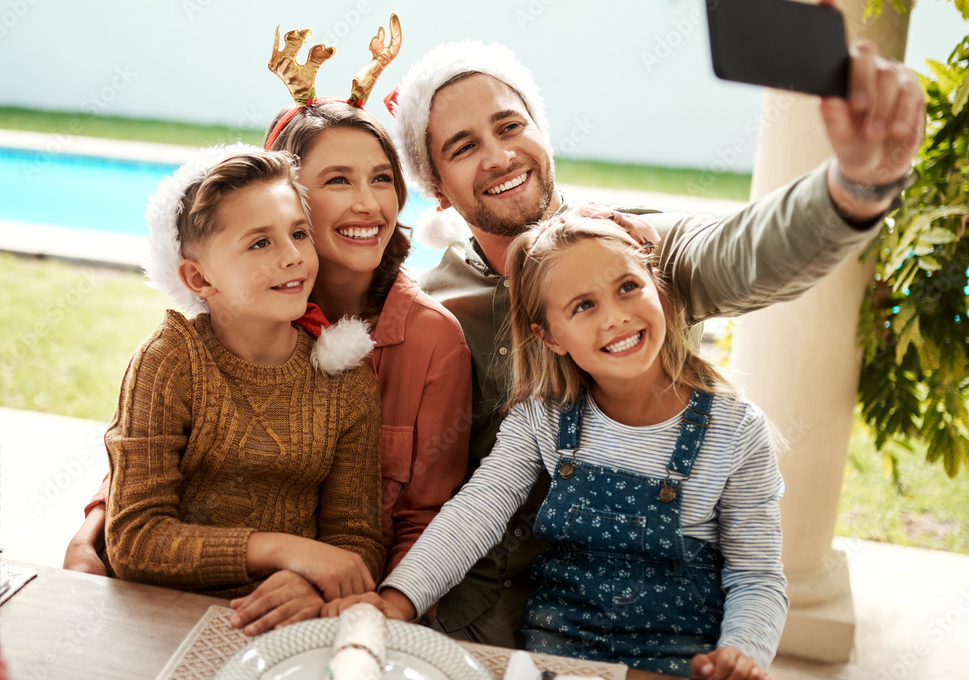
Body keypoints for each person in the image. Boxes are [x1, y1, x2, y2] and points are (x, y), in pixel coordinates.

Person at [375, 33, 924, 648]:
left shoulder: (637, 250)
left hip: (656, 636)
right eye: (464, 146)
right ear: (438, 187)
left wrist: (853, 188)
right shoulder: (433, 305)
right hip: (472, 617)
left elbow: (746, 253)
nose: (500, 155)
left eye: (510, 125)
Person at [65, 15, 473, 635]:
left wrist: (343, 595)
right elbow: (144, 483)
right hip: (164, 602)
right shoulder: (191, 344)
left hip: (320, 612)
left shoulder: (401, 351)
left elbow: (396, 527)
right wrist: (92, 530)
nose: (368, 203)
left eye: (383, 178)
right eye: (337, 180)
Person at [329, 214, 787, 678]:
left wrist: (742, 653)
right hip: (558, 658)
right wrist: (395, 601)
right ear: (550, 336)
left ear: (656, 284)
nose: (616, 316)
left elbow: (758, 576)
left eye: (628, 286)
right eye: (583, 306)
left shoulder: (736, 430)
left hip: (680, 664)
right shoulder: (542, 416)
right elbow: (475, 513)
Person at [102, 145, 384, 600]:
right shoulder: (172, 362)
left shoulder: (345, 381)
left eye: (298, 233)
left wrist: (306, 583)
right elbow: (134, 540)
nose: (293, 256)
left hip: (285, 618)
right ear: (199, 279)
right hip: (164, 611)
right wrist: (281, 551)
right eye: (260, 242)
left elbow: (356, 539)